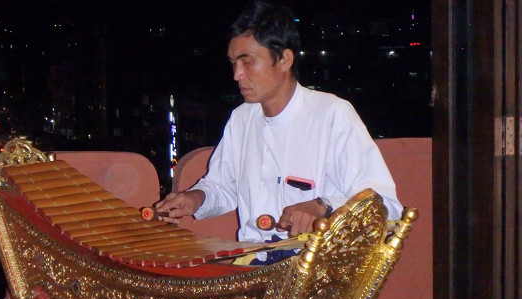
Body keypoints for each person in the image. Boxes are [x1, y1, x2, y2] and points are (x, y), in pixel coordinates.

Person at [156, 0, 402, 260]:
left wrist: (322, 206)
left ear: (284, 59)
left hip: (314, 267)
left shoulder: (332, 115)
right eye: (233, 63)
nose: (237, 74)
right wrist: (195, 199)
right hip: (252, 259)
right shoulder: (241, 118)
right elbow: (223, 186)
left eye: (247, 62)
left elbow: (385, 205)